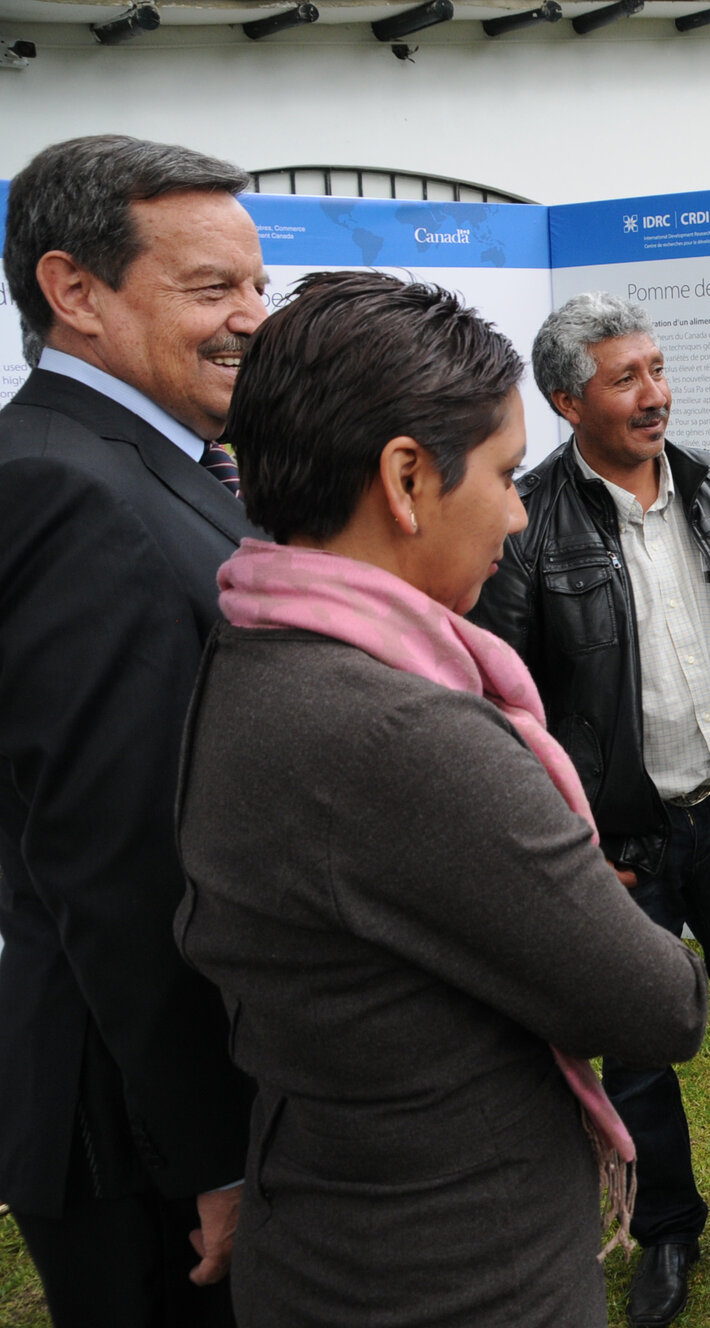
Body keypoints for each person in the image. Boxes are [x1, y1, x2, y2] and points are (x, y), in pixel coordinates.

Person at [175, 270, 709, 1328]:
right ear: (407, 477)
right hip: (455, 1268)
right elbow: (657, 1002)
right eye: (507, 475)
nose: (517, 513)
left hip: (335, 1226)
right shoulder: (399, 729)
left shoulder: (256, 637)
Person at [470, 291, 710, 1328]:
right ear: (565, 400)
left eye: (658, 369)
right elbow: (509, 700)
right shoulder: (528, 524)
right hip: (619, 844)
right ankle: (665, 1227)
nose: (654, 394)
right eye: (626, 378)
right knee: (635, 1046)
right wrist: (574, 840)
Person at [0, 135, 266, 1327]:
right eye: (212, 289)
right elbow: (119, 863)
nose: (252, 318)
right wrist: (214, 1155)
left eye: (258, 286)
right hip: (140, 1145)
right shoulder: (71, 486)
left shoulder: (138, 462)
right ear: (74, 291)